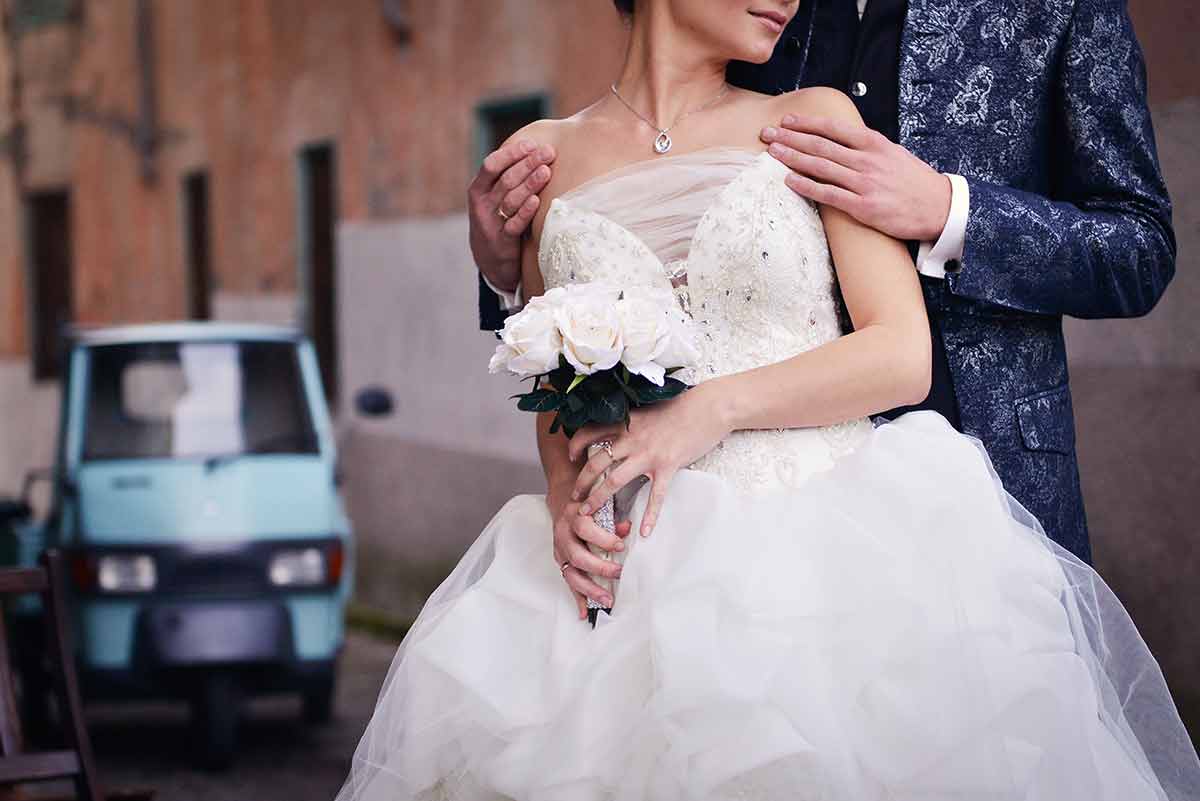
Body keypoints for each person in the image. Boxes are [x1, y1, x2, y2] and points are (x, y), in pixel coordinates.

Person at [334, 2, 1199, 798]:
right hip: (662, 554)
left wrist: (945, 207)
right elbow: (587, 321)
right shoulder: (743, 44)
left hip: (926, 524)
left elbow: (1138, 244)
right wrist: (504, 277)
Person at [469, 0, 1176, 568]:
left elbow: (1140, 246)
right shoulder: (759, 33)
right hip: (686, 520)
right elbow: (621, 257)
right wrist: (500, 263)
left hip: (978, 475)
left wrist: (947, 210)